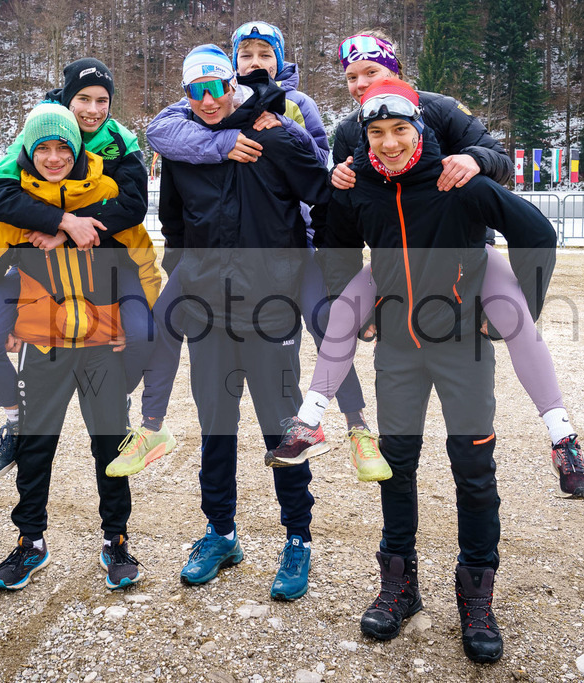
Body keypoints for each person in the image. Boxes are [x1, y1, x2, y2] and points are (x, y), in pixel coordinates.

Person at [274, 31, 584, 497]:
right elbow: (345, 214)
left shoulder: (440, 108)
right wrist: (336, 178)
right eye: (351, 77)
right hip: (396, 260)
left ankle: (562, 438)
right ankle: (309, 422)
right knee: (342, 313)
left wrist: (473, 158)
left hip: (463, 252)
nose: (361, 84)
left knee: (516, 319)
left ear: (397, 71)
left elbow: (500, 161)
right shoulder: (350, 129)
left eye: (372, 72)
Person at [320, 79, 559, 662]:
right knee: (396, 466)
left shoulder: (457, 182)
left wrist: (511, 312)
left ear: (420, 129)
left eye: (400, 129)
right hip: (398, 350)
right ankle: (399, 587)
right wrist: (359, 312)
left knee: (473, 469)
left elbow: (536, 232)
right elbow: (333, 243)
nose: (390, 142)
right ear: (365, 139)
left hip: (462, 350)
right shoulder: (361, 187)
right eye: (377, 133)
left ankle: (477, 596)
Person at [111, 21, 381, 480]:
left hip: (297, 241)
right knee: (162, 322)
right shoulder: (202, 107)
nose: (256, 62)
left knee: (324, 322)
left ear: (279, 59)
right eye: (247, 54)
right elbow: (161, 132)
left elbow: (317, 172)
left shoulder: (296, 105)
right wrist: (223, 142)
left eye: (265, 53)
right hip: (222, 253)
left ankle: (357, 426)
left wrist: (278, 129)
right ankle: (148, 424)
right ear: (234, 63)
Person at [157, 45, 331, 601]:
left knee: (283, 429)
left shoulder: (274, 134)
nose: (208, 100)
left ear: (232, 84)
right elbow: (174, 223)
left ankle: (298, 539)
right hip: (209, 312)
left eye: (216, 86)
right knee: (215, 426)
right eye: (195, 91)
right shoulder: (185, 151)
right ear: (186, 95)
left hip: (269, 310)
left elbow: (322, 194)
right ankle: (221, 532)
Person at [0, 58, 156, 484]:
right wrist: (60, 222)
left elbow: (133, 206)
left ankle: (118, 401)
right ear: (66, 98)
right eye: (83, 99)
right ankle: (16, 424)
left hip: (103, 258)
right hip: (36, 262)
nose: (92, 110)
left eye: (102, 100)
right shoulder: (40, 129)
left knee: (144, 333)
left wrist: (70, 229)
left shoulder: (120, 140)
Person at [0, 105, 143, 591]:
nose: (54, 157)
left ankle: (116, 539)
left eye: (63, 148)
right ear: (28, 152)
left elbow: (127, 258)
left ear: (78, 150)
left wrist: (128, 327)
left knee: (109, 445)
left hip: (100, 345)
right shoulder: (15, 196)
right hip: (43, 342)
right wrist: (0, 318)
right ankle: (31, 541)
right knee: (36, 446)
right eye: (44, 148)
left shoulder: (107, 189)